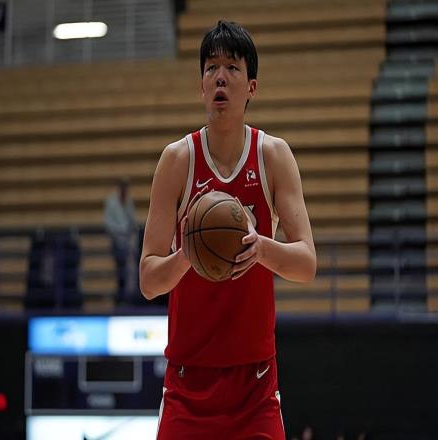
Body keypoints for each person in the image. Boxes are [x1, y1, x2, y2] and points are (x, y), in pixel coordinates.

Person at [139, 20, 316, 439]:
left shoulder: (273, 156)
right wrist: (186, 255)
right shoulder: (177, 160)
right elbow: (148, 280)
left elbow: (307, 263)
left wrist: (261, 248)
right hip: (187, 383)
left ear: (251, 87)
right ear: (202, 87)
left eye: (232, 68)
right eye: (211, 68)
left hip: (255, 386)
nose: (220, 77)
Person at [104, 179, 139, 305]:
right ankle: (120, 295)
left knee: (128, 269)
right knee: (119, 268)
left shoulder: (128, 201)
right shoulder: (111, 201)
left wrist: (131, 230)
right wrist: (119, 231)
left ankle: (126, 296)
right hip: (116, 240)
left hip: (127, 241)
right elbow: (108, 221)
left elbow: (132, 219)